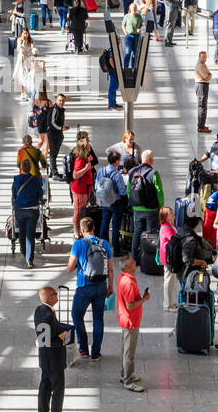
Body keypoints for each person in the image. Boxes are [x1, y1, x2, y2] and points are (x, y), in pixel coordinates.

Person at [67, 217, 113, 359]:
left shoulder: (78, 244)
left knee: (76, 316)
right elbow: (110, 269)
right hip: (101, 286)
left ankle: (83, 349)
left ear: (82, 230)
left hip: (84, 286)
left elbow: (70, 268)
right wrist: (110, 287)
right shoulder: (104, 243)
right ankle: (96, 352)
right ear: (94, 228)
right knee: (98, 319)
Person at [34, 287, 73, 412]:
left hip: (44, 359)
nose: (57, 296)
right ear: (51, 298)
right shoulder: (50, 316)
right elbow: (53, 341)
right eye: (55, 294)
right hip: (55, 360)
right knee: (57, 393)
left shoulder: (39, 311)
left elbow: (44, 337)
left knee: (44, 390)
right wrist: (63, 337)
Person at [115, 255, 147, 391]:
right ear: (128, 267)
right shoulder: (128, 283)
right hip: (130, 320)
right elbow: (130, 305)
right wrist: (144, 299)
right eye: (133, 263)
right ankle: (128, 381)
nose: (135, 263)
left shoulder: (123, 277)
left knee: (126, 350)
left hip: (125, 318)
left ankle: (125, 374)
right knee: (129, 352)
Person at [128, 150, 164, 257]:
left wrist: (134, 202)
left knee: (137, 231)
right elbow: (159, 192)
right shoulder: (154, 173)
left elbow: (128, 190)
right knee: (150, 233)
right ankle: (148, 257)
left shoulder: (132, 172)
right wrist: (161, 206)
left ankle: (135, 255)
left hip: (137, 208)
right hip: (151, 209)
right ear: (151, 160)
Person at [12, 157, 45, 268]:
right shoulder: (35, 180)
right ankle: (29, 260)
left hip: (20, 210)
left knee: (21, 232)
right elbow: (40, 194)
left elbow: (14, 195)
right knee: (30, 235)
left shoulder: (16, 180)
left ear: (21, 168)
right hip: (32, 210)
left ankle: (23, 250)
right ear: (30, 168)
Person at [94, 149, 126, 258]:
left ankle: (103, 248)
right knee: (116, 226)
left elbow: (96, 186)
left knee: (104, 223)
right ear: (116, 161)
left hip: (104, 201)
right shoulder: (117, 175)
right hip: (116, 203)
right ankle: (116, 249)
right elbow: (122, 191)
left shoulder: (101, 171)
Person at [68, 137, 96, 239]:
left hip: (85, 188)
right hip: (80, 189)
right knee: (78, 211)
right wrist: (86, 168)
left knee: (82, 210)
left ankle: (80, 230)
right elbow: (75, 175)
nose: (90, 146)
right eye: (88, 144)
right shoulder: (80, 159)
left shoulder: (86, 156)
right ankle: (76, 232)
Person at [157, 206, 178, 310]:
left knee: (171, 280)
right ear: (165, 216)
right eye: (170, 212)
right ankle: (167, 304)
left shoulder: (168, 225)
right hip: (169, 258)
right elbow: (175, 240)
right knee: (169, 280)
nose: (173, 213)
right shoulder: (167, 228)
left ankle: (170, 302)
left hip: (168, 257)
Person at [46, 93, 68, 179]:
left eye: (63, 101)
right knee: (53, 154)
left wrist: (62, 128)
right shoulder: (54, 109)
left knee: (54, 154)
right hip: (53, 135)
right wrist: (60, 128)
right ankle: (54, 173)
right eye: (60, 100)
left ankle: (52, 172)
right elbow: (51, 123)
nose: (61, 102)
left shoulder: (61, 110)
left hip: (58, 135)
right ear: (56, 100)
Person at [194, 50, 212, 132]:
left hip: (203, 85)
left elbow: (209, 74)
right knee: (202, 107)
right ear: (199, 57)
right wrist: (209, 76)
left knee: (203, 106)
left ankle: (201, 125)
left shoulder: (203, 64)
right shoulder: (200, 66)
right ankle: (201, 127)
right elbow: (207, 76)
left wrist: (209, 75)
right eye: (203, 57)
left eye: (205, 57)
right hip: (201, 85)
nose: (205, 58)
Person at [121, 3, 142, 69]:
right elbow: (123, 25)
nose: (134, 9)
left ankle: (133, 67)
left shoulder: (139, 16)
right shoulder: (127, 16)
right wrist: (125, 33)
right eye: (132, 7)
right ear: (130, 9)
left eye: (135, 7)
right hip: (128, 36)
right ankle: (126, 67)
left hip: (136, 36)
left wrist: (140, 29)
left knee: (135, 53)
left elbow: (141, 25)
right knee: (128, 52)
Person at [100, 44, 119, 110]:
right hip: (113, 71)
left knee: (115, 87)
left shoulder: (113, 49)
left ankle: (114, 103)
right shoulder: (112, 50)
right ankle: (111, 104)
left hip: (113, 70)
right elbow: (111, 61)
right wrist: (116, 69)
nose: (119, 42)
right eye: (118, 40)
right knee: (112, 87)